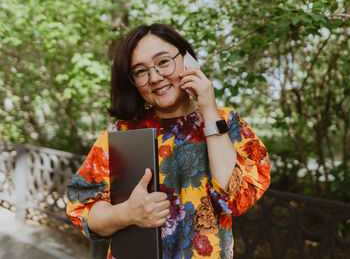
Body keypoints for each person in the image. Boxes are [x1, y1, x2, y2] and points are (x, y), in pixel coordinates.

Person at [66, 23, 270, 259]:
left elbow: (234, 198)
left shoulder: (228, 121)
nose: (154, 77)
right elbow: (83, 209)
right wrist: (128, 213)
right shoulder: (120, 135)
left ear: (187, 60)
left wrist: (209, 112)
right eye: (140, 71)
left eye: (163, 62)